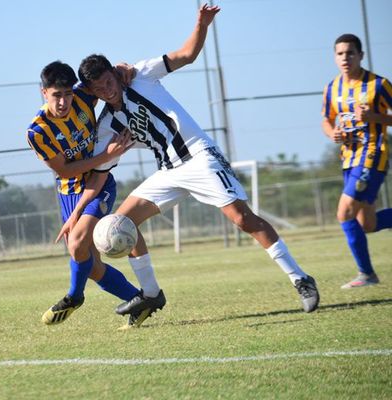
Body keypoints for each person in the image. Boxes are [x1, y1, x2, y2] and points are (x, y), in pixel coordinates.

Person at [65, 3, 319, 319]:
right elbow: (99, 173)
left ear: (114, 74)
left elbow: (187, 54)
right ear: (92, 92)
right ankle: (151, 295)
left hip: (199, 156)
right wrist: (86, 196)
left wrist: (202, 23)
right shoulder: (106, 127)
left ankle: (300, 279)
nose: (108, 89)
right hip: (168, 171)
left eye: (109, 81)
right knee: (123, 222)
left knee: (242, 219)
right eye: (100, 88)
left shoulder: (141, 73)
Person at [26, 61, 153, 329]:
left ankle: (74, 296)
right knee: (92, 266)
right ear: (43, 92)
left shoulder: (84, 97)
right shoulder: (38, 132)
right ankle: (137, 300)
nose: (63, 102)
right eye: (56, 95)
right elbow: (65, 170)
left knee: (76, 245)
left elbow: (104, 78)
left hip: (100, 182)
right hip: (69, 193)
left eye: (67, 94)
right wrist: (105, 155)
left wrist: (123, 68)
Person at [321, 33, 392, 289]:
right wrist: (333, 134)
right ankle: (367, 274)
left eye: (350, 53)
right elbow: (326, 120)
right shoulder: (332, 87)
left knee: (345, 211)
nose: (345, 58)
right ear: (334, 57)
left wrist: (374, 116)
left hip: (373, 154)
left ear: (361, 55)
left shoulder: (379, 84)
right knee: (367, 224)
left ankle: (367, 274)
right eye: (340, 53)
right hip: (348, 158)